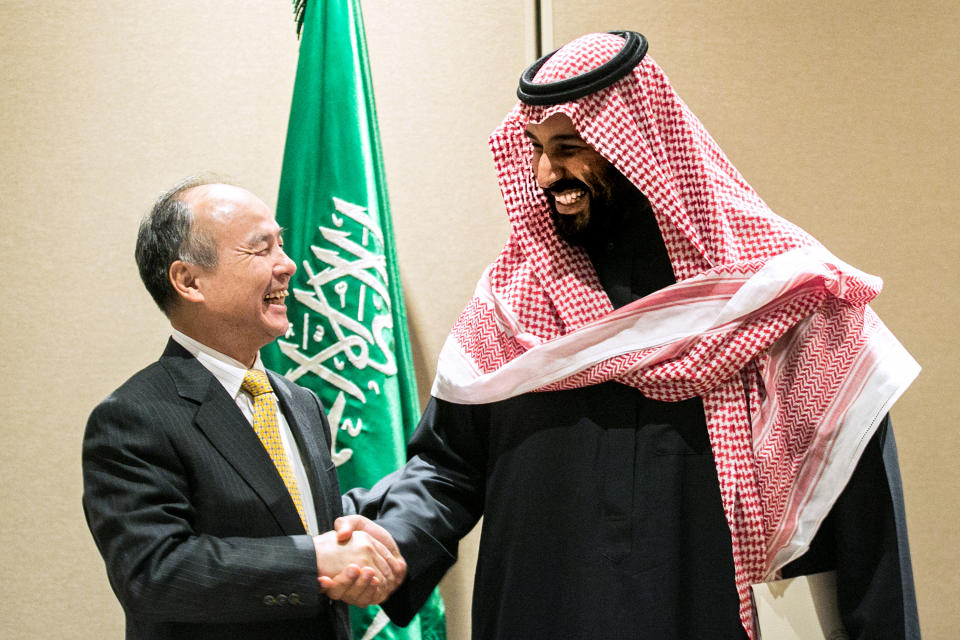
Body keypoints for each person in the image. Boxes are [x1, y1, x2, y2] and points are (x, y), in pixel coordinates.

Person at [340, 31, 921, 639]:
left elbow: (868, 533)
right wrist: (392, 539)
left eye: (567, 147)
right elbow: (449, 465)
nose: (546, 173)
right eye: (536, 148)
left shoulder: (787, 307)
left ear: (640, 144)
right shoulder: (510, 309)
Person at [82, 177, 406, 640]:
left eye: (282, 245)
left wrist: (350, 554)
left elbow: (297, 532)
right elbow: (154, 573)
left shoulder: (303, 403)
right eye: (261, 250)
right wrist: (313, 559)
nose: (289, 265)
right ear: (189, 281)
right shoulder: (133, 418)